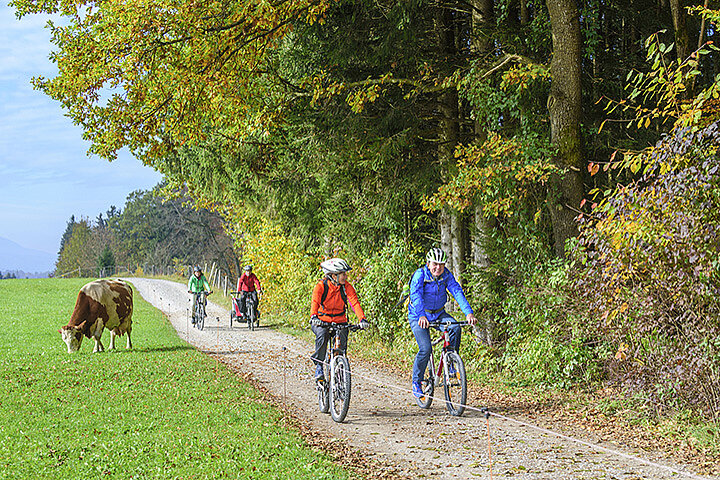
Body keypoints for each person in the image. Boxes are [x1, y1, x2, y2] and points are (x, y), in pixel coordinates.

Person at [408, 247, 476, 399]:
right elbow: (416, 295)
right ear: (428, 263)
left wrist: (468, 312)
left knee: (455, 327)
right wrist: (421, 315)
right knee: (425, 349)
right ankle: (416, 382)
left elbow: (457, 291)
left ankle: (451, 360)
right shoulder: (420, 275)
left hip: (438, 313)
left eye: (441, 264)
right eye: (435, 264)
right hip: (418, 315)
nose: (438, 267)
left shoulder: (446, 275)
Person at [310, 258, 369, 381]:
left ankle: (340, 368)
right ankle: (319, 366)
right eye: (343, 274)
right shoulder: (321, 286)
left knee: (342, 343)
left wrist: (362, 319)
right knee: (322, 334)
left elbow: (354, 303)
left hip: (340, 320)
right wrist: (314, 316)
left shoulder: (346, 287)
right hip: (321, 320)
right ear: (333, 275)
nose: (345, 276)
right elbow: (315, 302)